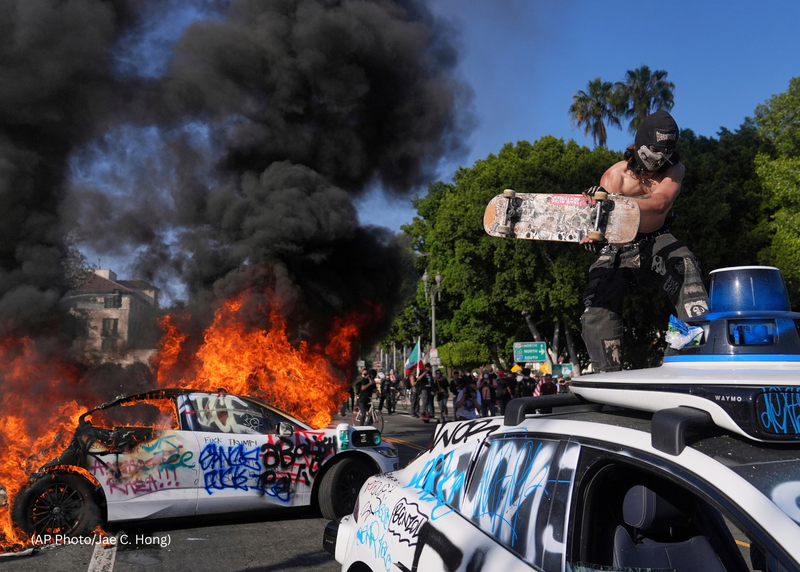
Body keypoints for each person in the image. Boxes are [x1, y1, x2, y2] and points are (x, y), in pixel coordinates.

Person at [580, 110, 709, 372]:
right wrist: (592, 232)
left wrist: (615, 203)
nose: (660, 157)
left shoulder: (674, 169)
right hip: (616, 245)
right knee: (597, 300)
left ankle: (683, 356)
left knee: (685, 266)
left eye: (667, 150)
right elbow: (600, 226)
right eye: (654, 148)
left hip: (656, 239)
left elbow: (661, 203)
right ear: (640, 145)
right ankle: (607, 371)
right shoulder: (615, 176)